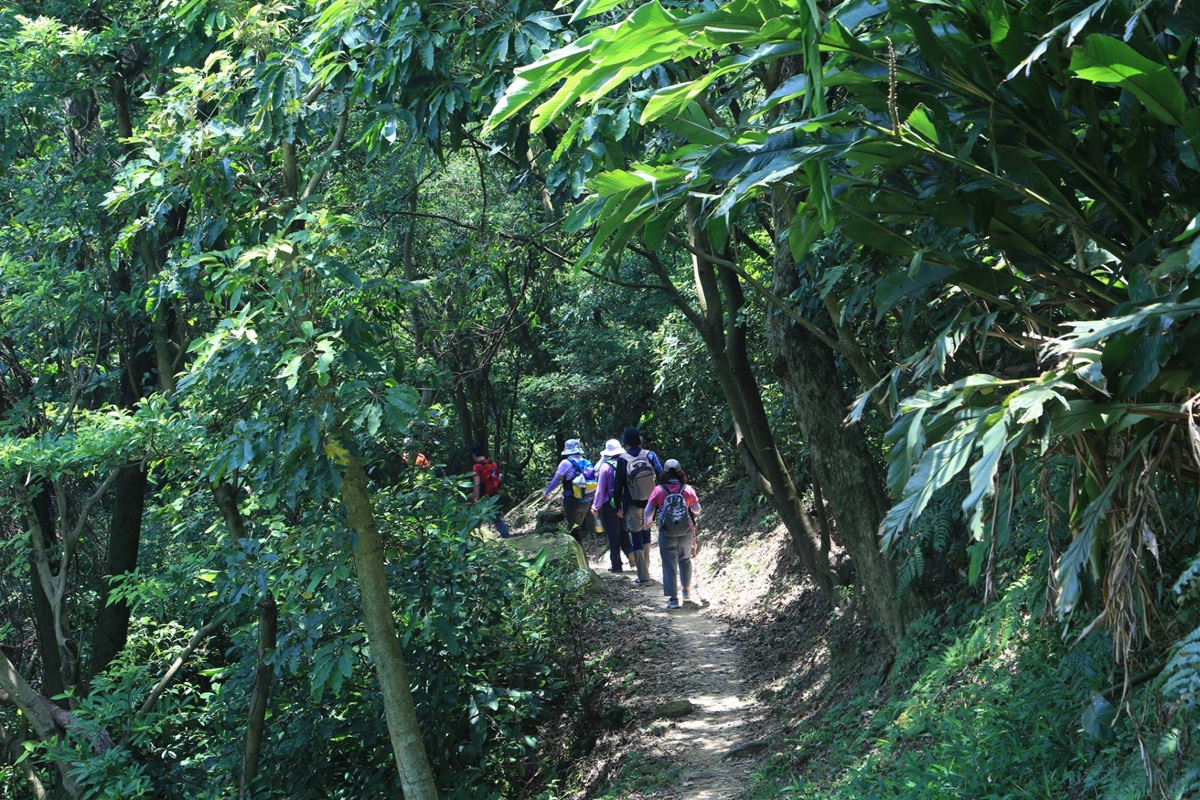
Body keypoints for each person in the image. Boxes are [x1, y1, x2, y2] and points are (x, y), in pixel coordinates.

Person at [644, 459, 701, 609]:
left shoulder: (658, 490)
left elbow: (648, 511)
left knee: (669, 563)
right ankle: (686, 592)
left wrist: (647, 521)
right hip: (686, 530)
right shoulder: (687, 489)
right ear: (680, 472)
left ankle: (673, 599)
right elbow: (697, 509)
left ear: (664, 472)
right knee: (685, 559)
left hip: (666, 532)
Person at [614, 427, 663, 584]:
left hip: (632, 503)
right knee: (646, 534)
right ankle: (647, 568)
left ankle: (643, 575)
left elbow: (618, 485)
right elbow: (661, 475)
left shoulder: (622, 459)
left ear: (626, 443)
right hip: (650, 502)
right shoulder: (650, 455)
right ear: (640, 440)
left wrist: (618, 505)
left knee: (636, 536)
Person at [591, 439, 632, 572]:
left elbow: (601, 489)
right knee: (624, 531)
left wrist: (596, 507)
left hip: (609, 505)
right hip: (624, 502)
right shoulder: (626, 463)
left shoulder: (605, 467)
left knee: (613, 535)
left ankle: (616, 564)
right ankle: (632, 554)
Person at [542, 438, 593, 543]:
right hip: (586, 500)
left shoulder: (565, 463)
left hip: (572, 500)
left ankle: (579, 555)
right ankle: (582, 553)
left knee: (574, 530)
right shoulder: (586, 462)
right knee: (578, 527)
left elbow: (556, 481)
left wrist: (546, 492)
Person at [470, 444, 510, 539]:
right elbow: (499, 479)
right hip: (495, 496)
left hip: (483, 497)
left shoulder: (477, 467)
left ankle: (473, 540)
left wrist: (476, 499)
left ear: (474, 455)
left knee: (476, 519)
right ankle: (507, 536)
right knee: (497, 519)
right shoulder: (493, 464)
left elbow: (477, 483)